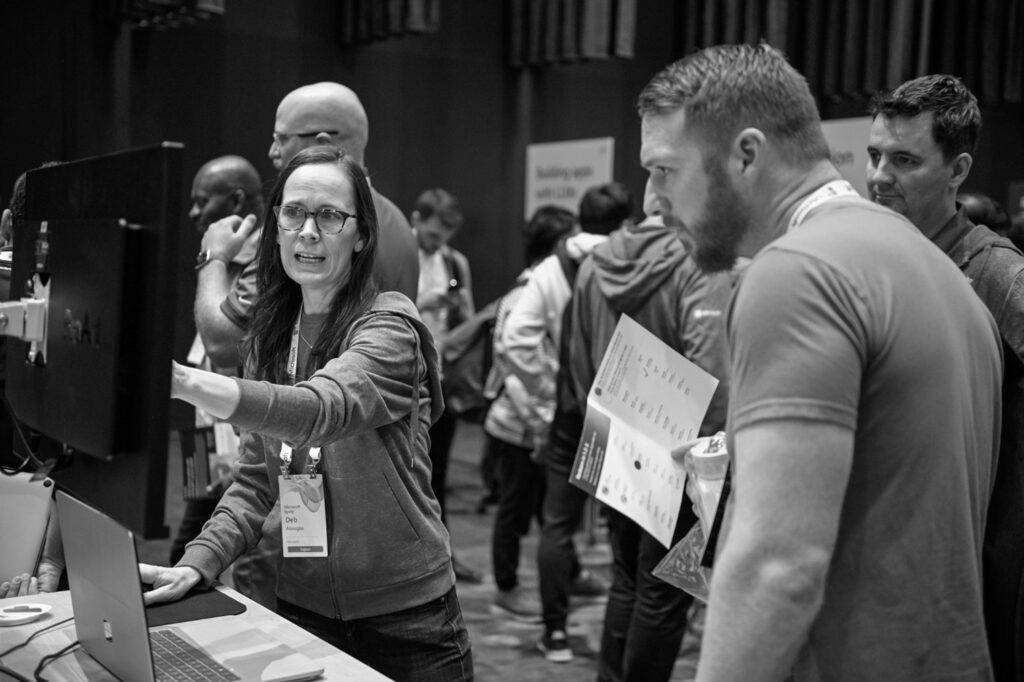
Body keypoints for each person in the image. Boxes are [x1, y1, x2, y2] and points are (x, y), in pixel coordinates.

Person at [643, 44, 1000, 680]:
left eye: (665, 171)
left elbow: (778, 567)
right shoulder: (931, 267)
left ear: (746, 155)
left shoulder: (797, 272)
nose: (650, 200)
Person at [141, 146, 473, 680]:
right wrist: (197, 562)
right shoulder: (271, 340)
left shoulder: (390, 327)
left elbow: (319, 410)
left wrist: (182, 382)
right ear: (274, 227)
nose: (308, 231)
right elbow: (254, 483)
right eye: (293, 213)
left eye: (330, 216)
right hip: (302, 607)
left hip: (407, 618)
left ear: (361, 235)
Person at [867, 74, 1024, 681]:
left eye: (904, 160)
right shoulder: (881, 256)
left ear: (957, 170)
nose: (880, 175)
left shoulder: (997, 274)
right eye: (876, 154)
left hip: (977, 568)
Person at [570, 183, 731, 680]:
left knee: (625, 580)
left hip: (612, 441)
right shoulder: (700, 261)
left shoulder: (593, 264)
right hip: (682, 454)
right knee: (664, 592)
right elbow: (714, 373)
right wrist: (712, 449)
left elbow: (577, 361)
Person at [512, 183, 631, 661]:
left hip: (572, 413)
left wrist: (551, 387)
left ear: (580, 219)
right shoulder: (637, 261)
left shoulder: (551, 267)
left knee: (558, 524)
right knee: (626, 530)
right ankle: (622, 646)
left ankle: (556, 634)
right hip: (624, 412)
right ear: (625, 221)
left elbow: (517, 339)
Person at [486, 205, 577, 621]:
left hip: (537, 425)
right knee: (514, 510)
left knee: (546, 507)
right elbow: (515, 373)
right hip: (518, 426)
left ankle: (571, 572)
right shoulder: (525, 296)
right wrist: (542, 425)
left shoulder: (538, 290)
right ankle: (506, 587)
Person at [269, 81, 418, 301]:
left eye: (281, 139)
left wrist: (214, 258)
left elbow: (226, 332)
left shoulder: (345, 227)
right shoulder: (397, 220)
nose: (273, 152)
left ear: (322, 146)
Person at [409, 188, 481, 583]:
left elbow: (467, 319)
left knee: (439, 475)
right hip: (402, 377)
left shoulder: (455, 261)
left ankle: (444, 557)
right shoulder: (398, 250)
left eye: (443, 238)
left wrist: (458, 305)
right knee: (406, 474)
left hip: (441, 378)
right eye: (433, 235)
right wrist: (425, 302)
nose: (437, 245)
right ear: (415, 219)